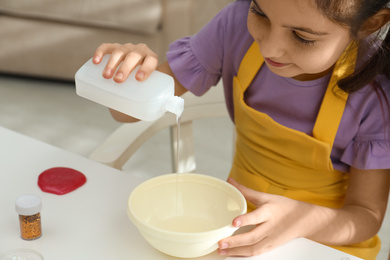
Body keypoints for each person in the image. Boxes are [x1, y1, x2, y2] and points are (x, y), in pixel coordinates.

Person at [92, 0, 390, 259]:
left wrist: (304, 220)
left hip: (326, 241)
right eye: (260, 13)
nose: (270, 47)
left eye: (302, 37)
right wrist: (126, 79)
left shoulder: (375, 92)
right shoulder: (235, 27)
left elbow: (365, 217)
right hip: (236, 224)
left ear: (368, 24)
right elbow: (124, 113)